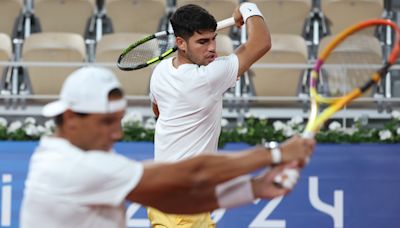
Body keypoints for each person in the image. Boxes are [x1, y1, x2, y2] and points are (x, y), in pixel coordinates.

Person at [20, 66, 315, 228]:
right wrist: (275, 153)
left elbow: (174, 201)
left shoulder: (65, 156)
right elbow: (192, 175)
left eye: (118, 121)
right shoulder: (74, 167)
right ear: (71, 118)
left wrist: (253, 188)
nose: (117, 134)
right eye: (107, 122)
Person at [148, 2, 278, 227]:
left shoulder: (160, 71)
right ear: (180, 43)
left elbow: (157, 110)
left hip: (170, 200)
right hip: (183, 206)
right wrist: (247, 8)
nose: (211, 48)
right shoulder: (206, 78)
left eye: (213, 39)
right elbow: (261, 42)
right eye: (202, 42)